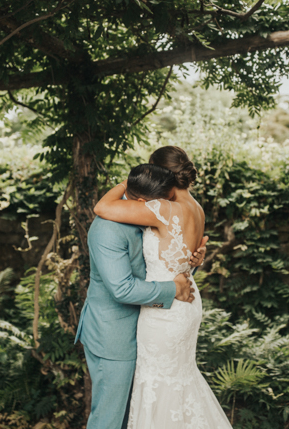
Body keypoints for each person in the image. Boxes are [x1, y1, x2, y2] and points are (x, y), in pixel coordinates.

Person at [95, 147, 233, 428]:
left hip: (164, 311)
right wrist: (196, 260)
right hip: (188, 300)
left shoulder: (162, 208)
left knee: (157, 383)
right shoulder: (197, 208)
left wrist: (128, 181)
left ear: (161, 175)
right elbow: (180, 258)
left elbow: (102, 208)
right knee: (180, 380)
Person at [74, 162, 207, 429]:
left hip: (150, 330)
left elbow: (164, 255)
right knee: (110, 418)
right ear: (144, 200)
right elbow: (122, 288)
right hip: (114, 335)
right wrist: (174, 289)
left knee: (139, 414)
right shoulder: (107, 229)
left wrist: (190, 260)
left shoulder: (147, 214)